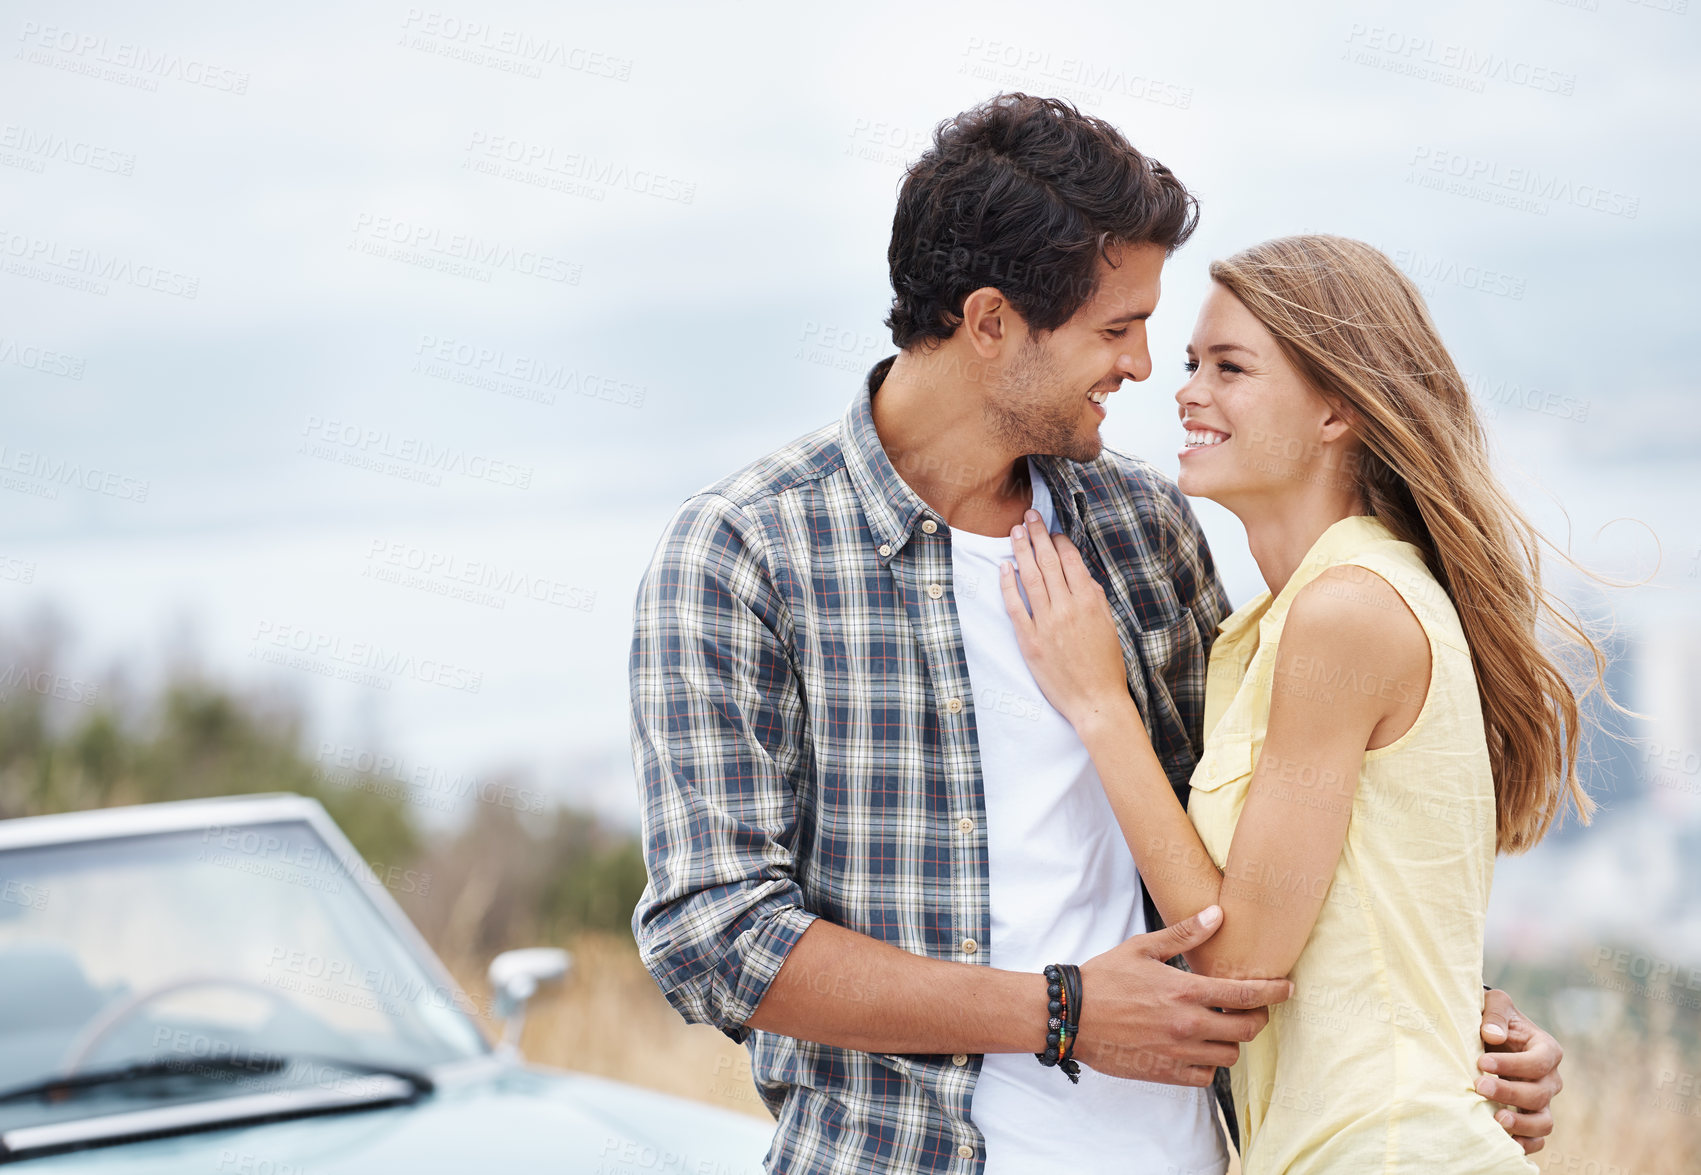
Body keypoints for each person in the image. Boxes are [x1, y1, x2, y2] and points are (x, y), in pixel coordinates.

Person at [629, 93, 1563, 1174]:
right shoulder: (748, 553)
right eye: (1118, 328)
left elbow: (1275, 858)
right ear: (991, 324)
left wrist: (1458, 1027)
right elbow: (715, 935)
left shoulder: (1141, 527)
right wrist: (1058, 1011)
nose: (1144, 365)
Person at [996, 233, 1603, 1172]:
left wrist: (1099, 704)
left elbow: (1238, 969)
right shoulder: (1277, 625)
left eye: (1229, 367)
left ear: (1336, 410)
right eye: (1193, 362)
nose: (1186, 388)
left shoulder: (1347, 610)